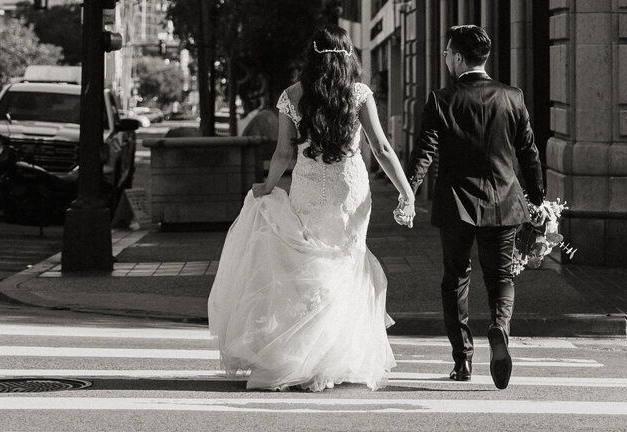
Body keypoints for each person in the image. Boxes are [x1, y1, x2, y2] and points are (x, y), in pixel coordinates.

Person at [208, 26, 416, 392]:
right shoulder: (359, 94)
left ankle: (304, 354)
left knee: (309, 265)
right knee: (346, 265)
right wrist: (407, 192)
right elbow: (382, 148)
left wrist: (267, 187)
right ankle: (336, 355)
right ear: (347, 55)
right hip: (350, 190)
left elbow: (284, 152)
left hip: (308, 188)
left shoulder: (292, 96)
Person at [406, 23, 545, 391]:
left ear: (456, 57)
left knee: (455, 279)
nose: (446, 60)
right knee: (500, 277)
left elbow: (424, 152)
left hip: (456, 205)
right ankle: (499, 326)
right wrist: (538, 198)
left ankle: (463, 360)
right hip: (503, 203)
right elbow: (528, 154)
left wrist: (408, 192)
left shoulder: (442, 99)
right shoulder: (512, 97)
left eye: (447, 54)